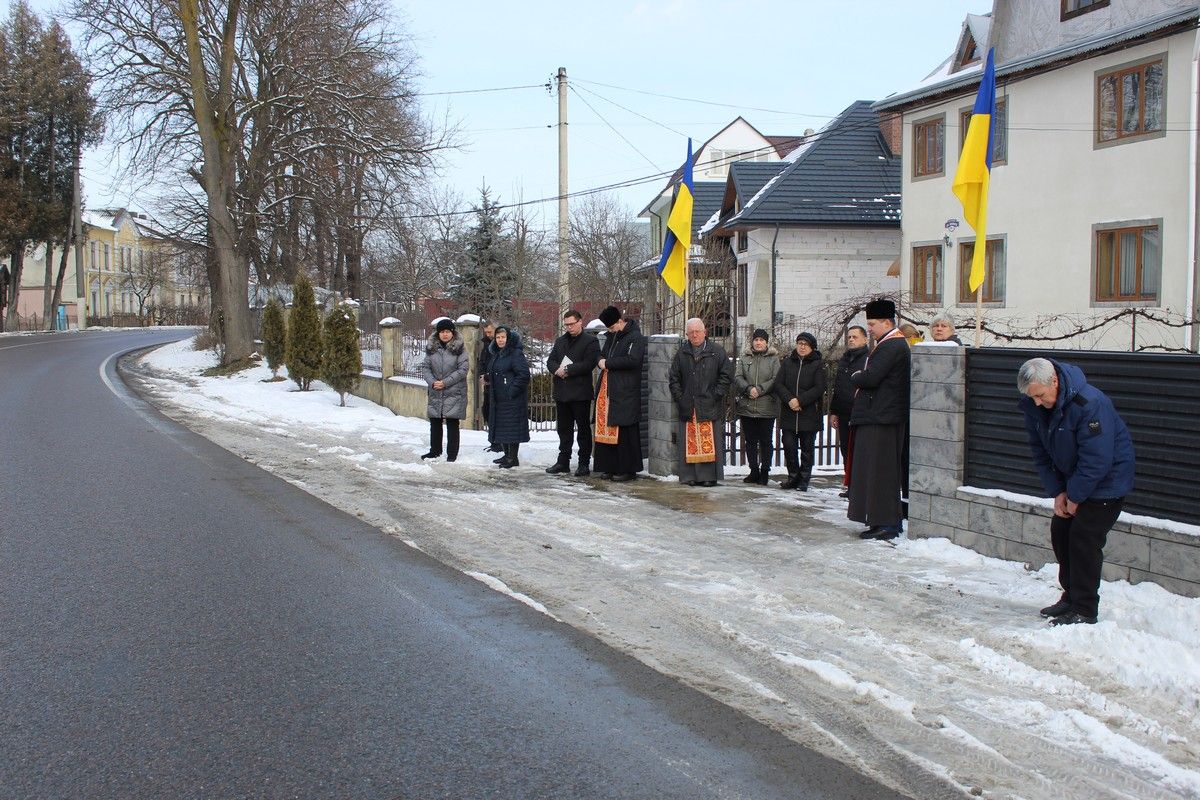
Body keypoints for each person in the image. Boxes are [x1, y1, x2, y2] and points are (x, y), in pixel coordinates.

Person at [1018, 357, 1134, 626]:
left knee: (1083, 539)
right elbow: (1039, 453)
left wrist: (1076, 496)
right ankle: (1070, 597)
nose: (1037, 402)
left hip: (1107, 482)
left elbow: (1097, 459)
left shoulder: (1090, 404)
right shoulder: (1035, 406)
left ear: (1054, 382)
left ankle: (1085, 609)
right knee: (1061, 532)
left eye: (1040, 395)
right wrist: (1059, 491)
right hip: (1074, 483)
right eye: (1031, 397)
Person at [848, 299, 910, 540]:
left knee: (882, 472)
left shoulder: (892, 346)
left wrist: (857, 377)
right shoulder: (888, 344)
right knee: (875, 471)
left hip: (883, 418)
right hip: (880, 416)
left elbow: (871, 378)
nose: (870, 329)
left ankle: (887, 522)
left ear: (887, 322)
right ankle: (879, 520)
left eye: (872, 324)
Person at [668, 317, 734, 487]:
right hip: (688, 404)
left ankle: (708, 477)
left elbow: (726, 376)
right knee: (688, 441)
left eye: (698, 331)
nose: (695, 335)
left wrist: (716, 394)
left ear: (705, 332)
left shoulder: (717, 351)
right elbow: (674, 378)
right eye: (691, 332)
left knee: (708, 441)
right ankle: (689, 476)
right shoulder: (682, 353)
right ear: (687, 334)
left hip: (709, 403)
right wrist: (680, 397)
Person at [593, 306, 647, 481]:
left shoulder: (635, 337)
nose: (610, 331)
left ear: (619, 321)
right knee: (607, 429)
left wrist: (607, 363)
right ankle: (609, 466)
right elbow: (600, 355)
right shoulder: (612, 336)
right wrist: (601, 360)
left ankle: (626, 468)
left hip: (625, 390)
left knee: (624, 431)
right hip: (608, 390)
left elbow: (633, 360)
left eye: (611, 327)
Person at [546, 309, 600, 476]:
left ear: (580, 322)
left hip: (580, 393)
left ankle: (583, 462)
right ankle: (563, 461)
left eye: (572, 324)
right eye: (566, 325)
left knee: (583, 430)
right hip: (562, 392)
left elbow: (589, 363)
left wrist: (569, 369)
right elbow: (551, 361)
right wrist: (557, 370)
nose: (569, 327)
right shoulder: (560, 341)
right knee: (563, 429)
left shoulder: (590, 341)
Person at [774, 332, 826, 491]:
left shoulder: (818, 365)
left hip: (808, 413)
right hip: (789, 412)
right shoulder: (788, 363)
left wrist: (800, 400)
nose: (802, 347)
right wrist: (789, 399)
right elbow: (778, 384)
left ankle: (804, 480)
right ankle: (793, 477)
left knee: (807, 449)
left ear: (812, 347)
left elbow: (819, 388)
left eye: (806, 344)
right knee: (789, 447)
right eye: (800, 343)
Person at [734, 328, 780, 485]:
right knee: (751, 441)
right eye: (756, 340)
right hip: (747, 406)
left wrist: (759, 389)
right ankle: (754, 470)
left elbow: (776, 378)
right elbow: (738, 377)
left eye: (762, 340)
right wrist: (748, 389)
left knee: (766, 441)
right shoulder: (745, 357)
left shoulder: (773, 359)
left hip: (766, 406)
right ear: (752, 342)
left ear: (766, 342)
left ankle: (765, 472)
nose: (759, 342)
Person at [419, 318, 469, 462]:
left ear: (452, 332)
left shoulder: (460, 349)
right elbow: (425, 367)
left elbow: (463, 370)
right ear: (438, 333)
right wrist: (433, 382)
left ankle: (452, 454)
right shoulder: (432, 348)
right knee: (435, 421)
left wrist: (445, 383)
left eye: (447, 331)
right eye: (442, 332)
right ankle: (435, 451)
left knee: (452, 423)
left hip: (454, 391)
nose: (445, 334)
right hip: (436, 390)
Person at [828, 325, 869, 497]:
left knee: (859, 451)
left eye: (855, 337)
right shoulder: (844, 359)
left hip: (860, 413)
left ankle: (860, 487)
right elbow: (838, 387)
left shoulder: (868, 359)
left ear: (865, 339)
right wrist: (834, 411)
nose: (851, 339)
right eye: (849, 337)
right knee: (846, 450)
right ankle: (850, 484)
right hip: (843, 411)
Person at [485, 326, 530, 468]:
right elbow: (498, 371)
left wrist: (511, 391)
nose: (500, 340)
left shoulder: (515, 354)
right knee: (501, 428)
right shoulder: (497, 354)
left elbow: (523, 375)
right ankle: (506, 455)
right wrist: (488, 377)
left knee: (511, 428)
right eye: (498, 337)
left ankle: (512, 458)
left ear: (508, 338)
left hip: (512, 399)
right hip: (498, 398)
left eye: (503, 337)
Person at [478, 321, 503, 452]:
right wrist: (482, 375)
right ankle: (493, 441)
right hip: (488, 385)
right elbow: (481, 362)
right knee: (487, 412)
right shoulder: (486, 345)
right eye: (486, 332)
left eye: (490, 332)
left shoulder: (500, 345)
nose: (488, 335)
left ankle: (499, 443)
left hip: (499, 386)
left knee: (497, 415)